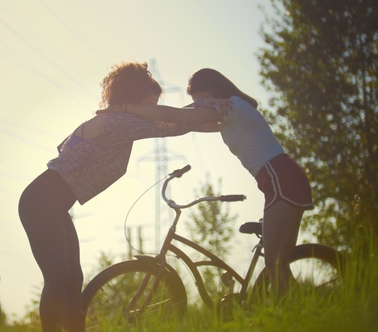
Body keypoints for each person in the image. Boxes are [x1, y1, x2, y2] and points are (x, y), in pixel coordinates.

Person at [18, 62, 227, 331]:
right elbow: (174, 124)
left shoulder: (108, 119)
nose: (152, 113)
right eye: (150, 106)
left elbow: (173, 121)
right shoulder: (121, 123)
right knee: (59, 278)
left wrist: (225, 122)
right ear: (135, 102)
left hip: (50, 203)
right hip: (42, 202)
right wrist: (212, 105)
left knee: (72, 279)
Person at [101, 68, 313, 295]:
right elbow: (183, 122)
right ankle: (305, 304)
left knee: (275, 263)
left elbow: (176, 116)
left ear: (212, 90)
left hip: (280, 178)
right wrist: (200, 104)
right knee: (278, 261)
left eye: (201, 99)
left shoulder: (232, 107)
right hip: (280, 179)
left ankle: (294, 309)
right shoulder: (228, 112)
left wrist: (126, 108)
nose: (200, 104)